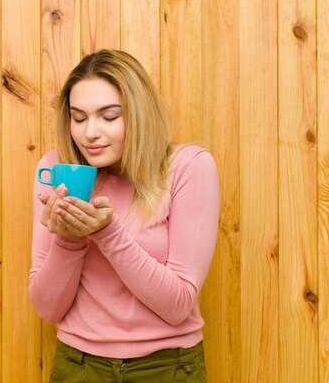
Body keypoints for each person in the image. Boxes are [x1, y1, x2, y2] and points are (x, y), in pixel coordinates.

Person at [29, 49, 219, 382]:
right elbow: (48, 308)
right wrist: (70, 238)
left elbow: (178, 305)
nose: (90, 133)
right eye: (79, 117)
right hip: (79, 366)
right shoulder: (56, 171)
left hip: (167, 367)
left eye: (109, 116)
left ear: (138, 113)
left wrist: (107, 234)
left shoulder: (188, 167)